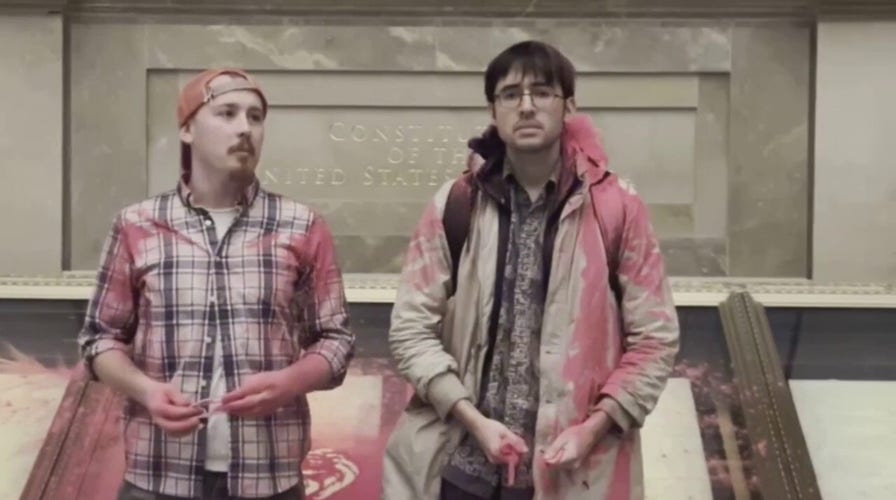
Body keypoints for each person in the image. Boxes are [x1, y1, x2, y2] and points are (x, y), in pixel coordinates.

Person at [382, 41, 680, 500]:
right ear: (493, 109)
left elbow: (654, 338)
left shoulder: (616, 207)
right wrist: (472, 419)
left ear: (569, 106)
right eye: (510, 94)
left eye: (542, 93)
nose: (526, 106)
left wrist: (594, 428)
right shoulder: (456, 204)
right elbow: (410, 329)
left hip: (570, 469)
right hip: (460, 466)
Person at [77, 68, 355, 500]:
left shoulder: (302, 226)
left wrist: (292, 381)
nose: (245, 128)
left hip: (269, 477)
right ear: (187, 129)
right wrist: (146, 391)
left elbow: (335, 340)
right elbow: (99, 340)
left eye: (256, 117)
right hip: (158, 474)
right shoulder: (136, 225)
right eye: (227, 113)